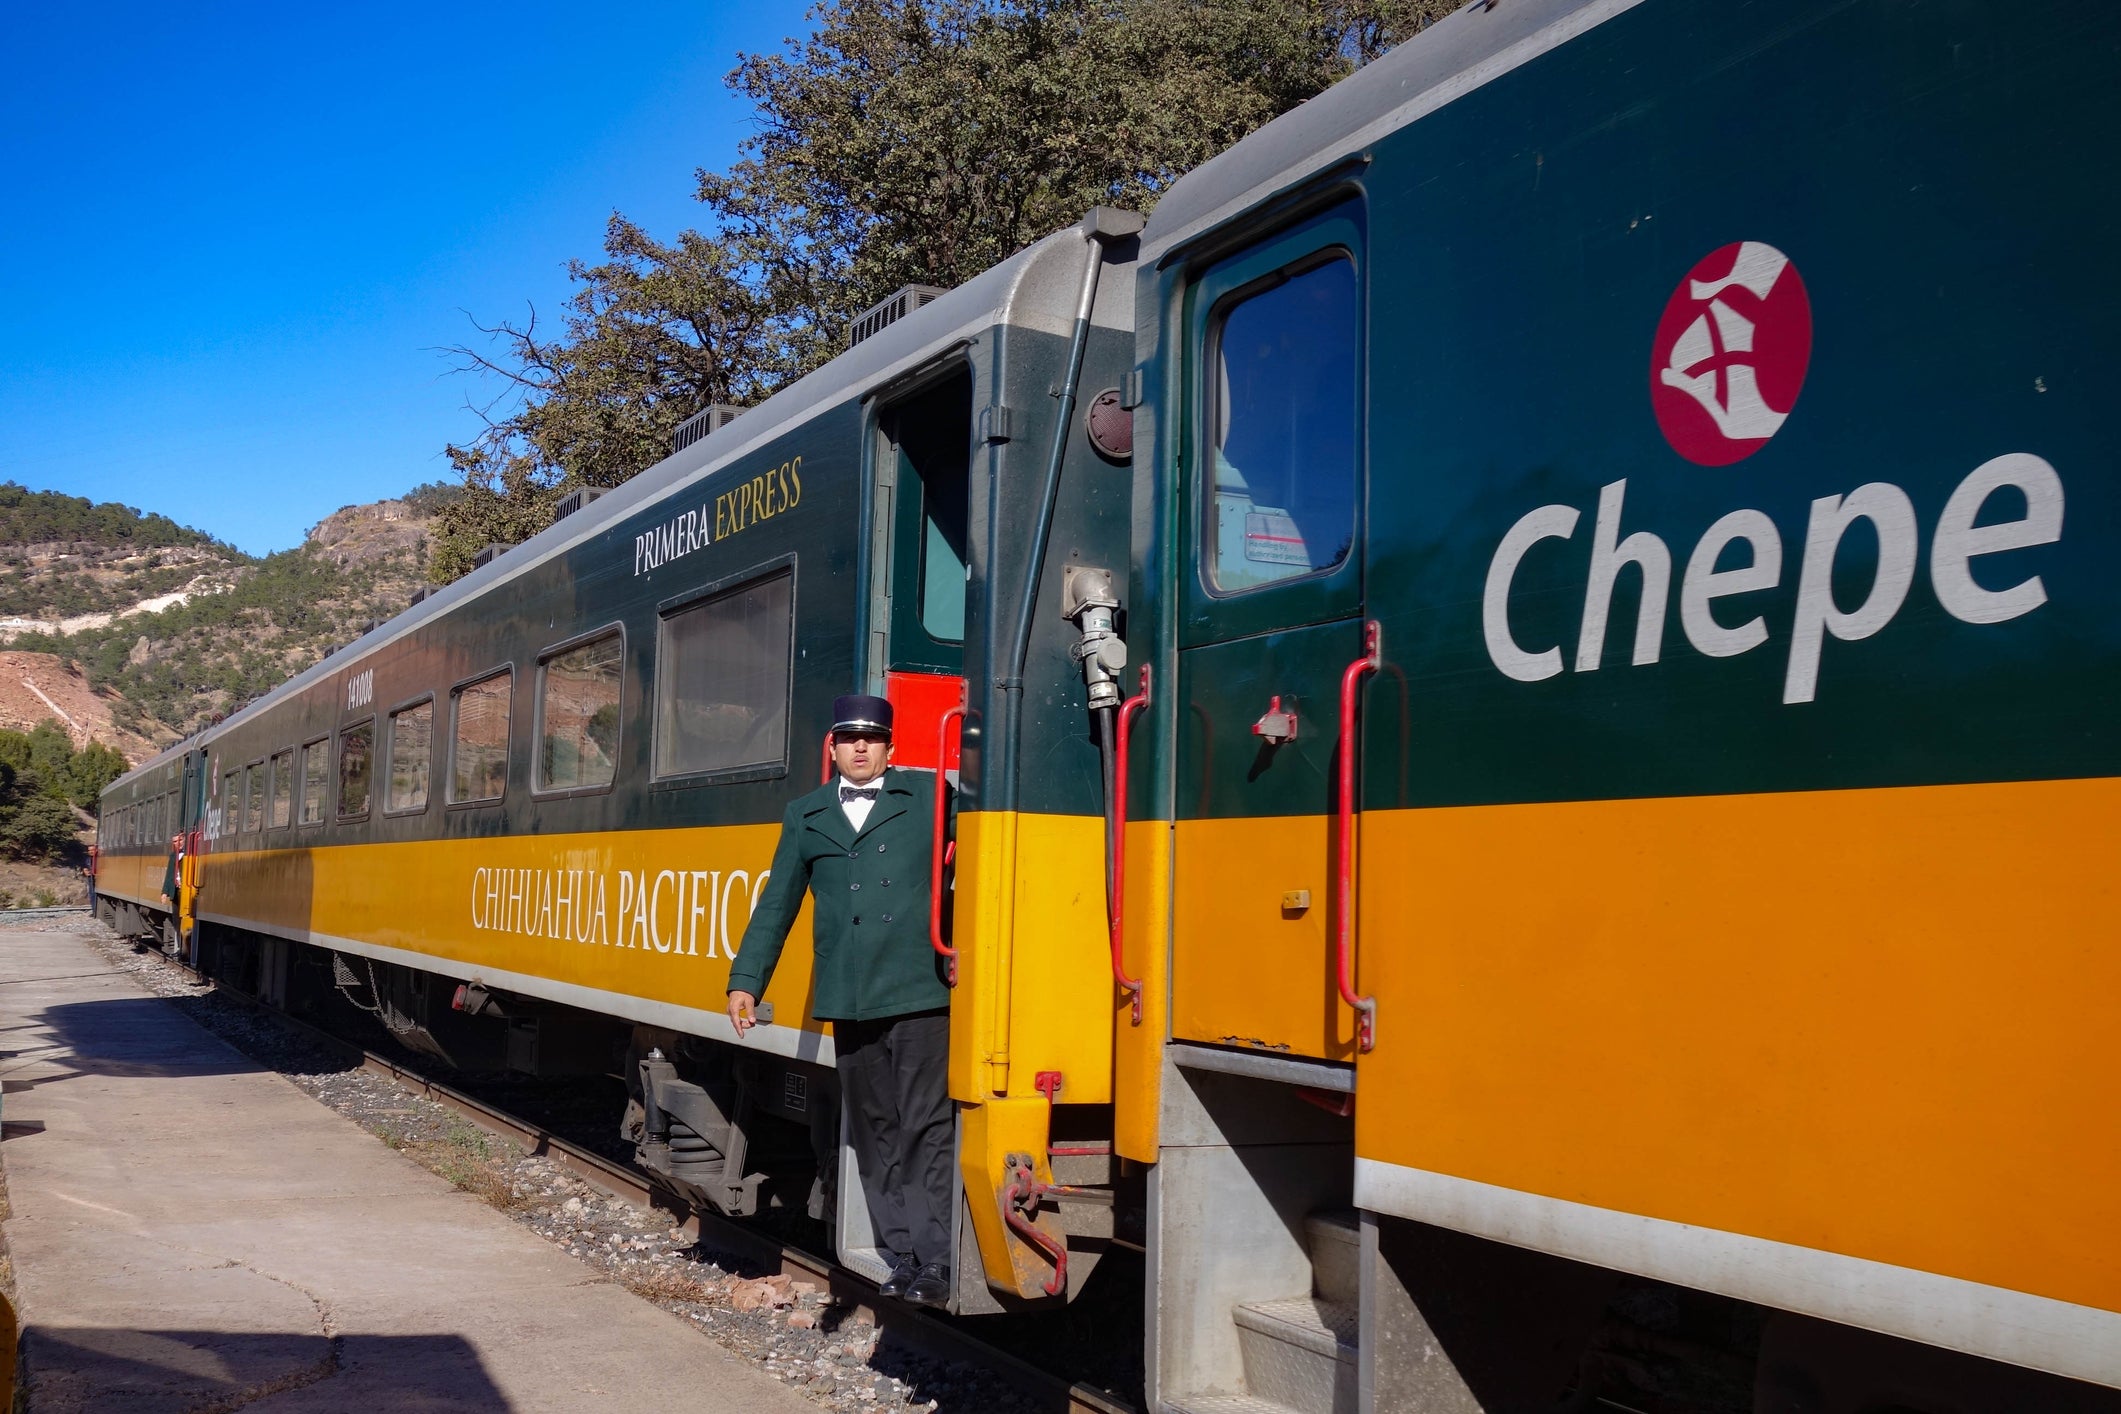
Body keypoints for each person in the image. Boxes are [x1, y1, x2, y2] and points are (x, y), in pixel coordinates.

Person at [726, 693, 955, 1308]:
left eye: (872, 737)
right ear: (832, 747)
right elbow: (778, 904)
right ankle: (900, 1254)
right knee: (875, 1130)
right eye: (849, 737)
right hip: (851, 996)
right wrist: (747, 980)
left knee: (925, 1127)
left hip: (919, 988)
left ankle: (936, 1259)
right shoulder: (806, 814)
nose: (860, 747)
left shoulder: (931, 800)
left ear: (890, 747)